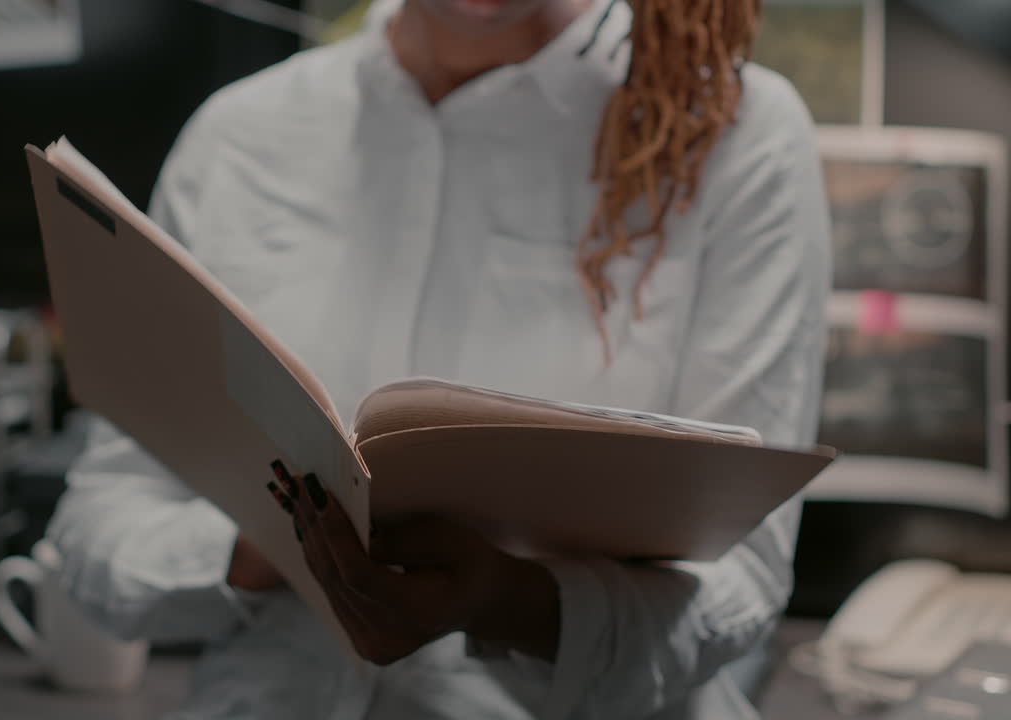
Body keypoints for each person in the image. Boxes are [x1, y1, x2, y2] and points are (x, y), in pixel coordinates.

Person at [46, 0, 833, 716]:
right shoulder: (241, 136)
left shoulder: (736, 132)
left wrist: (509, 601)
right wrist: (270, 550)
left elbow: (744, 584)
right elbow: (99, 530)